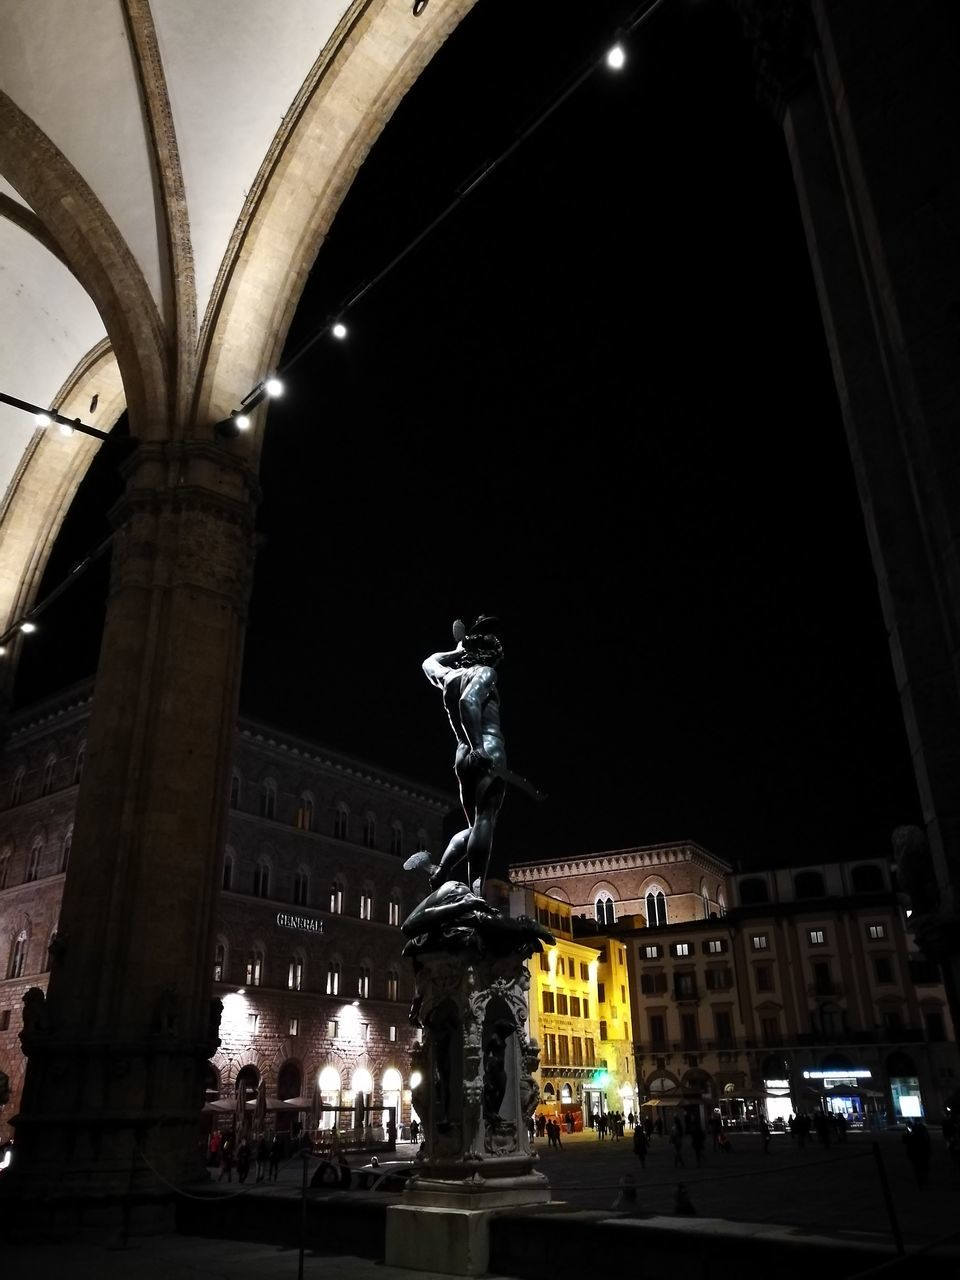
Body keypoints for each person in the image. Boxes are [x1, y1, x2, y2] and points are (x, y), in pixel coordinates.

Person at [421, 617, 508, 893]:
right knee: (485, 820)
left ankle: (442, 870)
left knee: (473, 827)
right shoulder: (484, 673)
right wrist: (480, 746)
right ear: (489, 657)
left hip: (462, 757)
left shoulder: (449, 677)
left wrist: (457, 653)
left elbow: (428, 662)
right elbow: (468, 701)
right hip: (487, 749)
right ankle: (477, 888)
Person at [903, 1121, 932, 1188]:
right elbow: (927, 1142)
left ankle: (921, 1182)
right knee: (923, 1168)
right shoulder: (921, 1132)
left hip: (916, 1153)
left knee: (918, 1168)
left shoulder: (912, 1133)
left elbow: (905, 1141)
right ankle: (924, 1181)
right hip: (922, 1153)